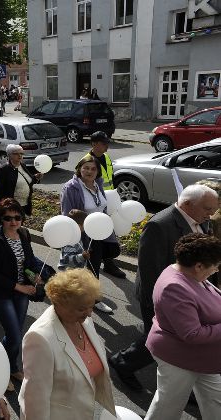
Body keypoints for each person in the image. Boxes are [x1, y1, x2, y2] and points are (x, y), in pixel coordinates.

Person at [109, 184, 219, 390]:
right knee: (160, 341)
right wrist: (162, 302)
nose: (212, 214)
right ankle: (122, 363)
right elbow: (151, 270)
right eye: (207, 208)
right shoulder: (159, 225)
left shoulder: (201, 219)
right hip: (164, 297)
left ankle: (189, 384)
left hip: (191, 293)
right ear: (187, 204)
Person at [19, 268, 117, 420]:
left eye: (91, 306)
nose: (90, 313)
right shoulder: (39, 338)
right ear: (59, 303)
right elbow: (35, 400)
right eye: (82, 309)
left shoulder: (84, 320)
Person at [144, 233, 221, 420]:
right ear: (199, 266)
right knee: (168, 406)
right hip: (179, 359)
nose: (217, 270)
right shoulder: (175, 287)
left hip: (203, 359)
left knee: (217, 401)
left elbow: (208, 295)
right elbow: (192, 334)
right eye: (215, 266)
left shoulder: (187, 272)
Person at [0, 198, 42, 392]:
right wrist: (20, 287)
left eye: (17, 217)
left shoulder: (23, 235)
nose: (13, 222)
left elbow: (30, 261)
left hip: (23, 291)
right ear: (1, 219)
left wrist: (35, 276)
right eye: (8, 218)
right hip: (4, 293)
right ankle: (3, 371)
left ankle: (9, 367)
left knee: (14, 334)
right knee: (15, 336)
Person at [60, 154, 118, 313]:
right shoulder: (71, 187)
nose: (89, 171)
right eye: (86, 168)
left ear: (98, 172)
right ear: (79, 169)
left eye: (93, 169)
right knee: (79, 268)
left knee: (94, 268)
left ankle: (91, 299)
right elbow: (67, 214)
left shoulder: (98, 184)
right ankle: (89, 300)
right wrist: (76, 233)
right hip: (81, 235)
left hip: (97, 234)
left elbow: (103, 208)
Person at [84, 131, 126, 278]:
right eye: (103, 143)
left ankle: (106, 261)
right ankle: (106, 264)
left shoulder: (106, 157)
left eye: (107, 142)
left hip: (109, 202)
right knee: (101, 233)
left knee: (108, 232)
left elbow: (111, 178)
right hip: (95, 204)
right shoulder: (87, 161)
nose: (107, 145)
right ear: (94, 144)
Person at [0, 144, 42, 215]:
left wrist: (36, 177)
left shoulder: (22, 165)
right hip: (10, 207)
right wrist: (1, 209)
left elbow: (27, 180)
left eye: (21, 153)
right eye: (16, 154)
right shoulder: (3, 170)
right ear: (9, 155)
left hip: (25, 204)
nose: (19, 156)